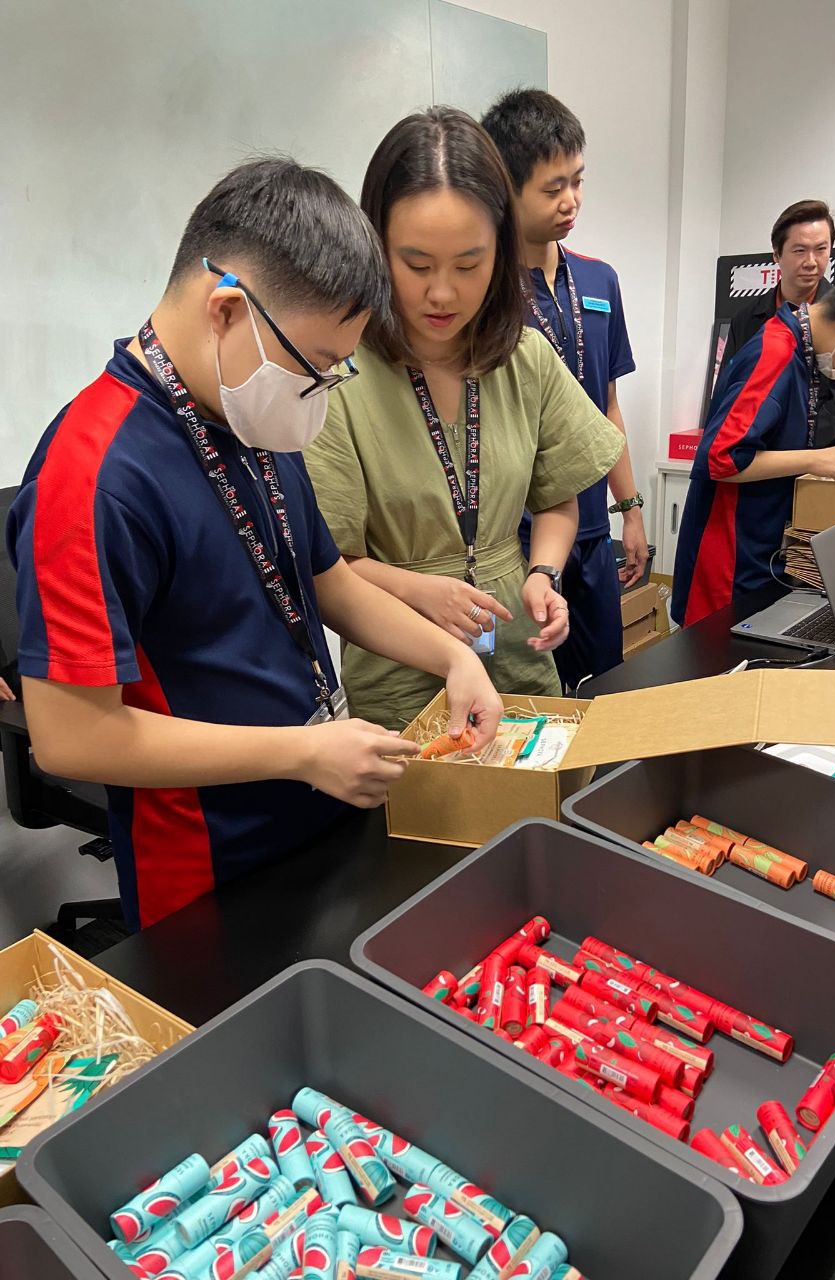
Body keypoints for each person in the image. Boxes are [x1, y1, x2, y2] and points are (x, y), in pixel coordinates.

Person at [7, 158, 502, 931]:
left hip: (317, 812)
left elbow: (329, 582)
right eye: (316, 369)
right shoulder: (95, 476)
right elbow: (71, 737)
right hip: (210, 862)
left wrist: (454, 659)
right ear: (228, 311)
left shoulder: (247, 412)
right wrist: (299, 753)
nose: (318, 395)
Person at [304, 108, 624, 730]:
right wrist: (422, 590)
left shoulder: (524, 357)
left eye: (469, 265)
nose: (443, 294)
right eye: (417, 266)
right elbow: (330, 566)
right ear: (375, 249)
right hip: (399, 672)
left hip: (517, 652)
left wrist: (542, 573)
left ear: (501, 252)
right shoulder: (342, 374)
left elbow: (559, 497)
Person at [480, 88, 648, 690]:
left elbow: (606, 404)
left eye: (577, 180)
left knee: (605, 684)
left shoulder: (600, 279)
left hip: (593, 530)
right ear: (506, 187)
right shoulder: (484, 296)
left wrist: (630, 509)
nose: (571, 200)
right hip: (513, 534)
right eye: (553, 188)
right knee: (529, 693)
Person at [672, 256, 835, 628]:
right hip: (729, 560)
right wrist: (814, 460)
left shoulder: (803, 351)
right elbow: (720, 458)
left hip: (762, 547)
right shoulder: (775, 353)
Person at [719, 199, 835, 446]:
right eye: (799, 250)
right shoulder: (747, 319)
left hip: (818, 462)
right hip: (753, 456)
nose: (811, 261)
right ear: (776, 254)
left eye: (821, 249)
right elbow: (728, 389)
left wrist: (794, 453)